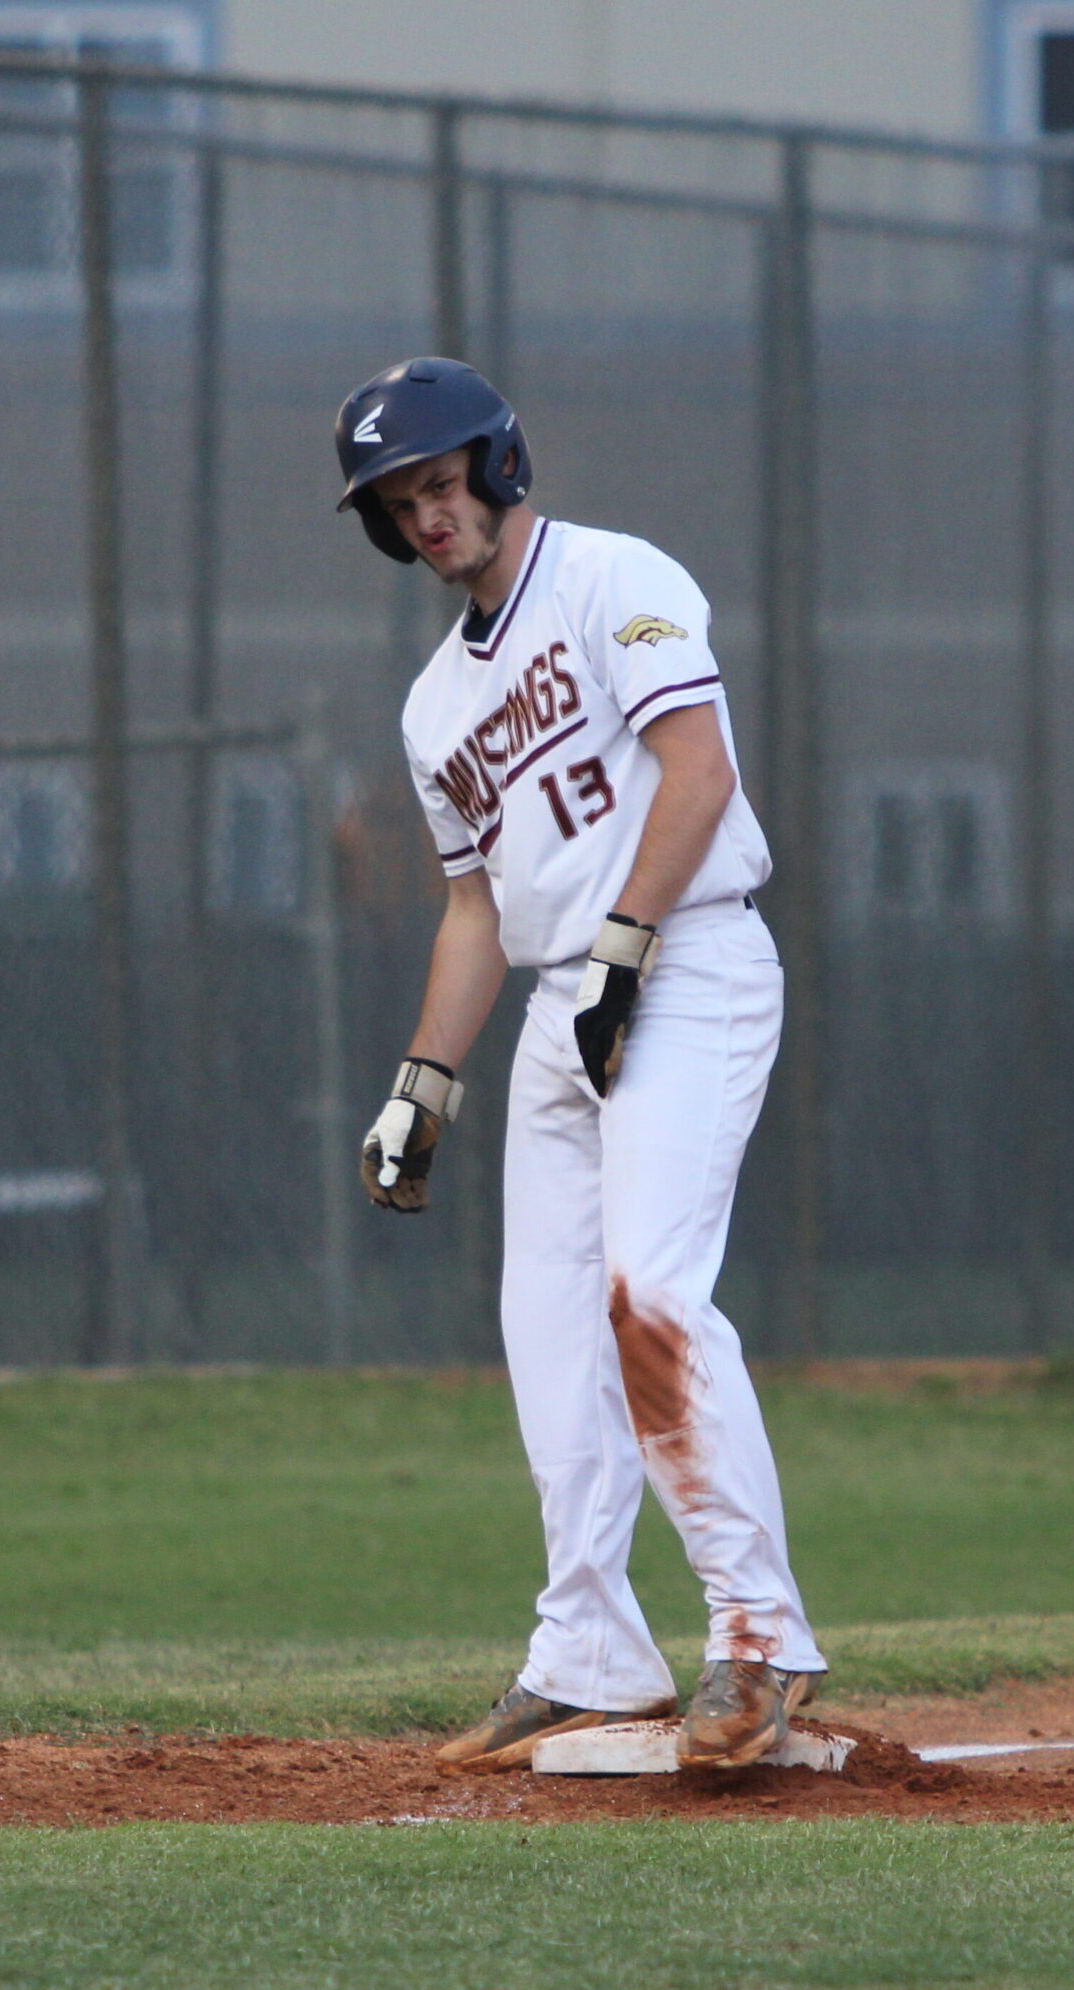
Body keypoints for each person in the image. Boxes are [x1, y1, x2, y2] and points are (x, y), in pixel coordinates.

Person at [336, 356, 825, 1772]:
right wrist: (420, 1085)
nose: (428, 516)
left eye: (440, 481)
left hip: (690, 963)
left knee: (649, 1300)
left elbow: (699, 772)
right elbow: (476, 909)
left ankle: (754, 1638)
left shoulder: (616, 578)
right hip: (570, 996)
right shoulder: (434, 708)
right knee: (547, 1333)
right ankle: (588, 1651)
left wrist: (623, 944)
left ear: (496, 465)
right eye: (397, 501)